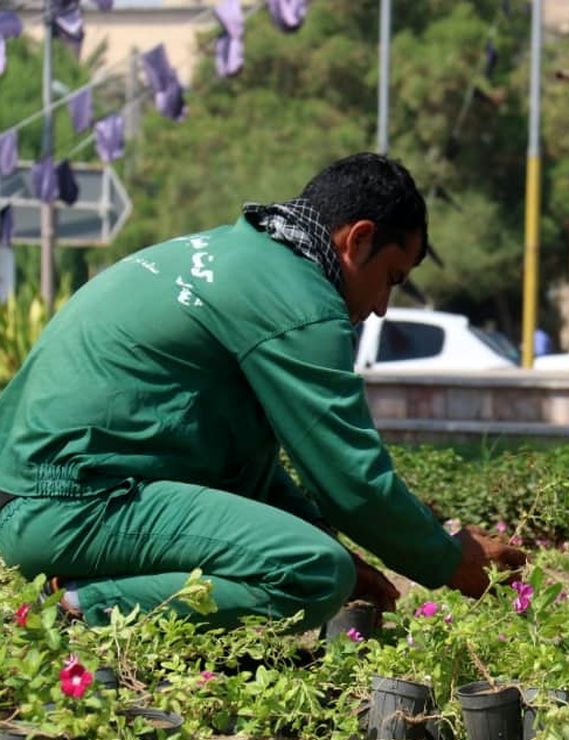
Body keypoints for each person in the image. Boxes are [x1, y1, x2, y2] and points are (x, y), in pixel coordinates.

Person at [0, 153, 526, 629]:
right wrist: (451, 561)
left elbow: (246, 466)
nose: (384, 306)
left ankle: (76, 595)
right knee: (312, 571)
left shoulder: (235, 258)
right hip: (68, 507)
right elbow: (352, 480)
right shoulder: (300, 302)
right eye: (391, 276)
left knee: (323, 557)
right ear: (358, 239)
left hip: (32, 501)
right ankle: (72, 610)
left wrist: (334, 541)